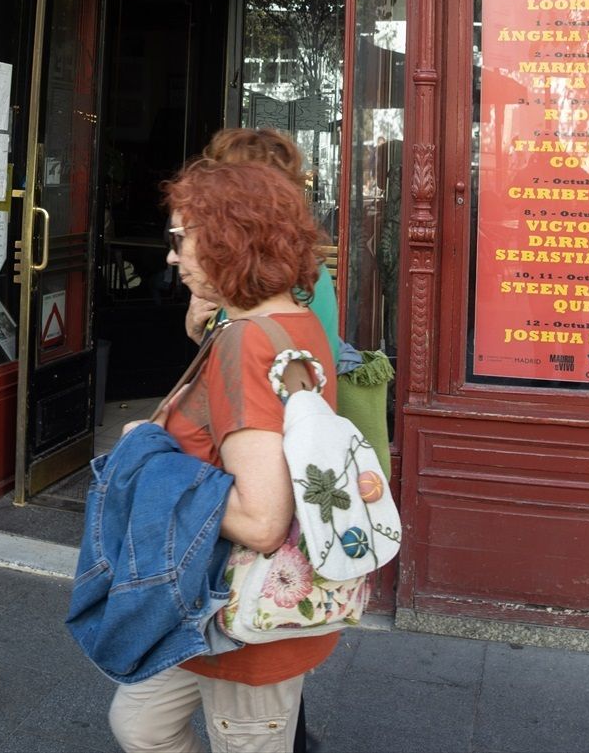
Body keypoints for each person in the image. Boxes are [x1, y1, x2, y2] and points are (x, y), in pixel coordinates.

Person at [107, 158, 337, 753]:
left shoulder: (248, 342)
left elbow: (261, 522)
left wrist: (148, 458)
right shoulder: (293, 321)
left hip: (236, 618)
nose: (170, 255)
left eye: (181, 238)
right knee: (141, 725)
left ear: (229, 239)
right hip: (200, 609)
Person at [186, 129, 344, 364]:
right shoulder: (245, 264)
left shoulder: (295, 276)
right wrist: (201, 332)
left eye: (222, 181)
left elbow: (281, 378)